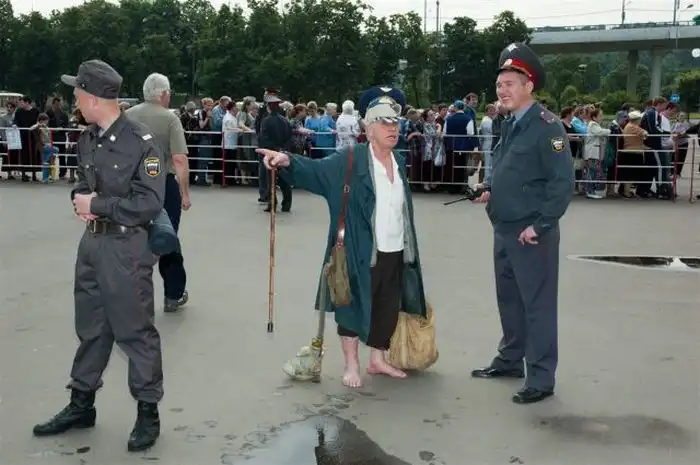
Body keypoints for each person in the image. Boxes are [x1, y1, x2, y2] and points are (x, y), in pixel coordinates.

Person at [32, 59, 166, 451]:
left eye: (77, 93)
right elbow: (82, 182)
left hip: (127, 249)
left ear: (92, 97)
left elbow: (150, 203)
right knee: (90, 328)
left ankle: (148, 412)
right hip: (91, 246)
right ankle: (82, 404)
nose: (74, 99)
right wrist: (80, 199)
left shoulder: (141, 141)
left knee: (135, 332)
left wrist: (99, 204)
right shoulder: (87, 139)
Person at [256, 86, 428, 389]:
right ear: (368, 129)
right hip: (355, 248)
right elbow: (316, 171)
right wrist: (287, 160)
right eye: (384, 122)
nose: (392, 128)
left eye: (395, 122)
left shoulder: (398, 162)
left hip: (395, 247)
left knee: (387, 305)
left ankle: (377, 359)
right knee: (350, 305)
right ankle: (351, 365)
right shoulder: (350, 159)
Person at [471, 43, 574, 404]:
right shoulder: (510, 123)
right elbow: (507, 167)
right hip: (504, 226)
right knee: (510, 300)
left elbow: (562, 183)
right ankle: (510, 359)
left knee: (537, 305)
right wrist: (489, 187)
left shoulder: (548, 127)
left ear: (529, 86)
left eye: (510, 84)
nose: (503, 91)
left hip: (531, 231)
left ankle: (541, 378)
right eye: (500, 85)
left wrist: (542, 225)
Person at [126, 73, 191, 312]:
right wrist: (185, 193)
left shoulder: (127, 116)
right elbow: (179, 159)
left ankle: (131, 294)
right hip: (163, 184)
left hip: (133, 186)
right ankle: (173, 294)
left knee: (132, 238)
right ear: (163, 94)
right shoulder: (170, 118)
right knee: (167, 237)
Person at [258, 88, 294, 212]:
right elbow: (289, 137)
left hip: (271, 153)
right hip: (283, 152)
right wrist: (283, 149)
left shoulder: (266, 121)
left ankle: (272, 203)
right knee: (284, 179)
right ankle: (287, 203)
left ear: (269, 106)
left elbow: (263, 139)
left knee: (271, 179)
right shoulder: (285, 120)